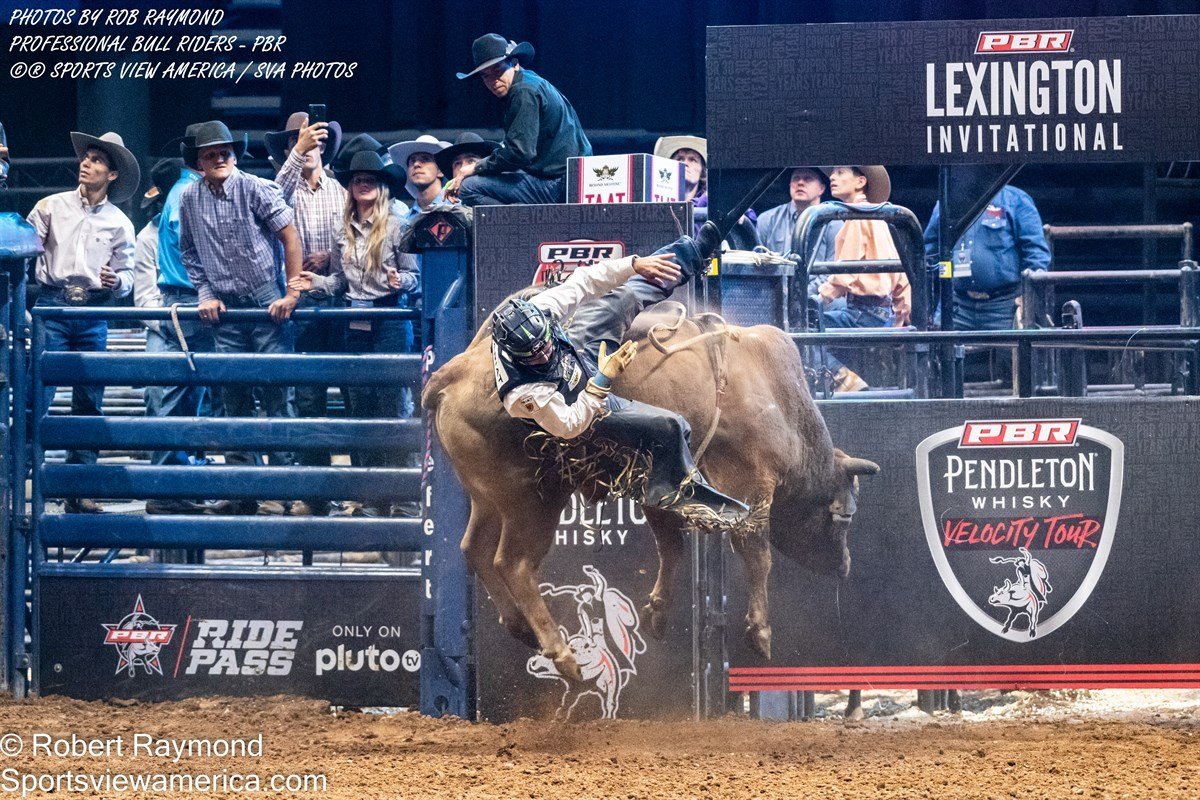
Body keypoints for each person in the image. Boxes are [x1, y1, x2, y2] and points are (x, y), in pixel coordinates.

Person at [490, 224, 747, 528]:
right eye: (532, 356)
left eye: (543, 344)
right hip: (574, 403)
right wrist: (602, 379)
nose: (543, 355)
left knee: (622, 296)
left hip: (576, 351)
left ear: (544, 325)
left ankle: (692, 253)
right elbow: (569, 425)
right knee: (671, 426)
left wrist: (634, 264)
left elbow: (585, 282)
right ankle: (683, 498)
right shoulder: (523, 392)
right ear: (515, 355)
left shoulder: (539, 310)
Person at [179, 120, 302, 515]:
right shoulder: (189, 197)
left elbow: (289, 235)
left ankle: (283, 491)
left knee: (277, 395)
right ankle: (241, 489)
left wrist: (292, 292)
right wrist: (206, 293)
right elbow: (189, 252)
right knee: (232, 399)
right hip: (226, 308)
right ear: (199, 162)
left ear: (234, 156)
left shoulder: (255, 188)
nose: (219, 159)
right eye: (211, 154)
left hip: (265, 299)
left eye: (225, 153)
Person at [289, 150, 420, 517]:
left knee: (392, 407)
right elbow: (338, 281)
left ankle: (404, 498)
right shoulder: (341, 227)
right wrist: (315, 283)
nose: (362, 184)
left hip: (389, 318)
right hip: (353, 320)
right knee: (361, 408)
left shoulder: (398, 225)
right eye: (357, 179)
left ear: (381, 187)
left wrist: (400, 280)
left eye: (370, 179)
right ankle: (373, 498)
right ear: (350, 187)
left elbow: (416, 277)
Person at [26, 131, 138, 513]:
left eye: (97, 160)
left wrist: (116, 281)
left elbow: (128, 276)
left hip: (92, 310)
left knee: (89, 401)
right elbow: (22, 249)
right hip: (54, 305)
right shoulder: (49, 207)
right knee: (37, 395)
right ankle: (18, 478)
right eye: (86, 157)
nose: (86, 164)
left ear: (112, 174)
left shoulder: (120, 223)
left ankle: (79, 488)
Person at [267, 111, 348, 517]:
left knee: (353, 394)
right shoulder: (281, 189)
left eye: (316, 140)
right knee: (308, 399)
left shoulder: (342, 192)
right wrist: (296, 154)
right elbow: (270, 200)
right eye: (300, 141)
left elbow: (357, 239)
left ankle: (360, 493)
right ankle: (315, 493)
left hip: (340, 300)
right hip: (298, 304)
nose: (310, 147)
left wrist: (331, 257)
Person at [445, 34, 591, 206]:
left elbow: (519, 154)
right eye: (486, 76)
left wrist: (475, 167)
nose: (493, 81)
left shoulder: (523, 92)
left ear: (514, 64)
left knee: (469, 187)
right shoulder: (530, 81)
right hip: (569, 177)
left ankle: (520, 220)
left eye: (497, 71)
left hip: (561, 184)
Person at [816, 165, 911, 392]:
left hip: (862, 314)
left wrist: (817, 298)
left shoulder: (857, 217)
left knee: (804, 327)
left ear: (860, 182)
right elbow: (902, 278)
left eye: (840, 172)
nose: (832, 177)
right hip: (882, 314)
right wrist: (900, 318)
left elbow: (845, 274)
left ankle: (842, 378)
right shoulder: (880, 218)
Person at [924, 185, 1051, 330]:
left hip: (1004, 307)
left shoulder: (1016, 200)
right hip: (957, 305)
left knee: (1012, 345)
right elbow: (929, 251)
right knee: (937, 342)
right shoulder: (948, 202)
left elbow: (1036, 253)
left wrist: (1028, 300)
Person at [653, 135, 757, 246]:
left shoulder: (715, 199)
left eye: (693, 160)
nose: (685, 163)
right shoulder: (654, 200)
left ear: (702, 171)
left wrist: (737, 215)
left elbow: (749, 222)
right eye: (680, 159)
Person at [757, 167, 834, 259]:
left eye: (808, 178)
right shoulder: (767, 219)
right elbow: (755, 260)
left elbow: (836, 265)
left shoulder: (832, 222)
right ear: (789, 185)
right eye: (796, 178)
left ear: (821, 188)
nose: (800, 183)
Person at [388, 134, 452, 224]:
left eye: (425, 159)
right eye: (412, 161)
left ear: (440, 170)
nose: (416, 164)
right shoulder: (404, 222)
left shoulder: (457, 210)